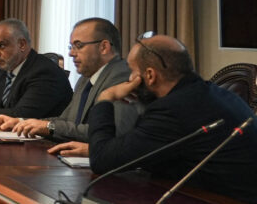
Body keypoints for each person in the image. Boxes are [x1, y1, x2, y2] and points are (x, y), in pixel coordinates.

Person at [84, 33, 257, 202]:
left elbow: (101, 161)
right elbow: (145, 151)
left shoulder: (173, 110)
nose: (129, 79)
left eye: (132, 71)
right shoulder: (207, 94)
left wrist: (105, 98)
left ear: (150, 75)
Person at [0, 18, 136, 149]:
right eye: (71, 47)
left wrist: (48, 127)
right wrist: (21, 122)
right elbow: (65, 120)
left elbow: (110, 132)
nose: (71, 53)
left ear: (104, 47)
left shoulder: (122, 75)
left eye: (78, 45)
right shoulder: (85, 79)